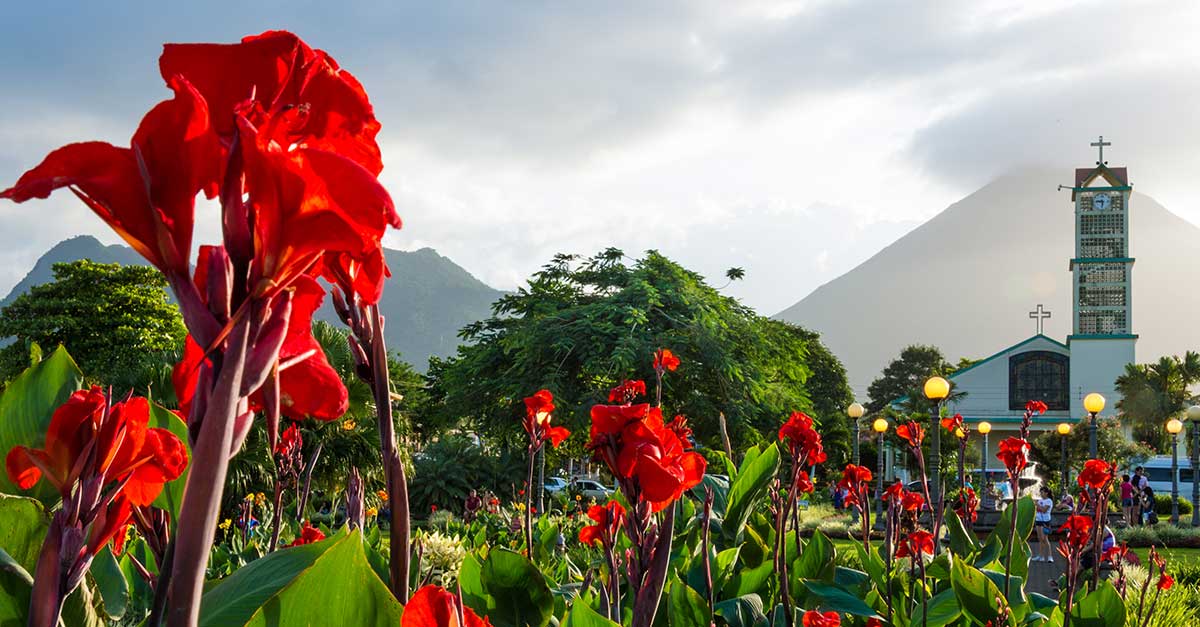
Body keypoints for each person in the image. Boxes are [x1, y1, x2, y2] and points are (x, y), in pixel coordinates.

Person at [1033, 487, 1055, 562]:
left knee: (1045, 539)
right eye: (1040, 492)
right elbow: (1037, 510)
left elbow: (1044, 510)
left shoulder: (1049, 501)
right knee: (1040, 539)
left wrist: (1037, 505)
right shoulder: (1040, 501)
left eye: (1042, 492)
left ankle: (1050, 556)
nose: (1041, 494)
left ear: (1046, 493)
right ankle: (1041, 556)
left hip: (1045, 522)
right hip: (1038, 521)